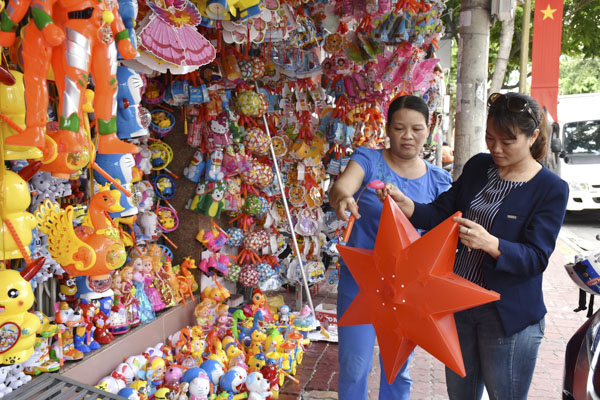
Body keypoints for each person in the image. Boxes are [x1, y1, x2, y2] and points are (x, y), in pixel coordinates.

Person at [376, 92, 569, 400]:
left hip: (507, 316)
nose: (496, 148)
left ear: (532, 136)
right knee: (460, 394)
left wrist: (492, 244)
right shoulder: (480, 166)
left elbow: (536, 258)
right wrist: (406, 204)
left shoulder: (550, 188)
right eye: (490, 138)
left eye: (507, 142)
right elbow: (441, 212)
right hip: (458, 303)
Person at [329, 95, 452, 399]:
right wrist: (343, 198)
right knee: (354, 365)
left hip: (407, 291)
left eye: (416, 129)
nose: (407, 136)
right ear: (387, 128)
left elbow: (447, 233)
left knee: (397, 370)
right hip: (361, 282)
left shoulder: (440, 181)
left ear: (429, 128)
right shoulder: (368, 160)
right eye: (399, 128)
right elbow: (344, 186)